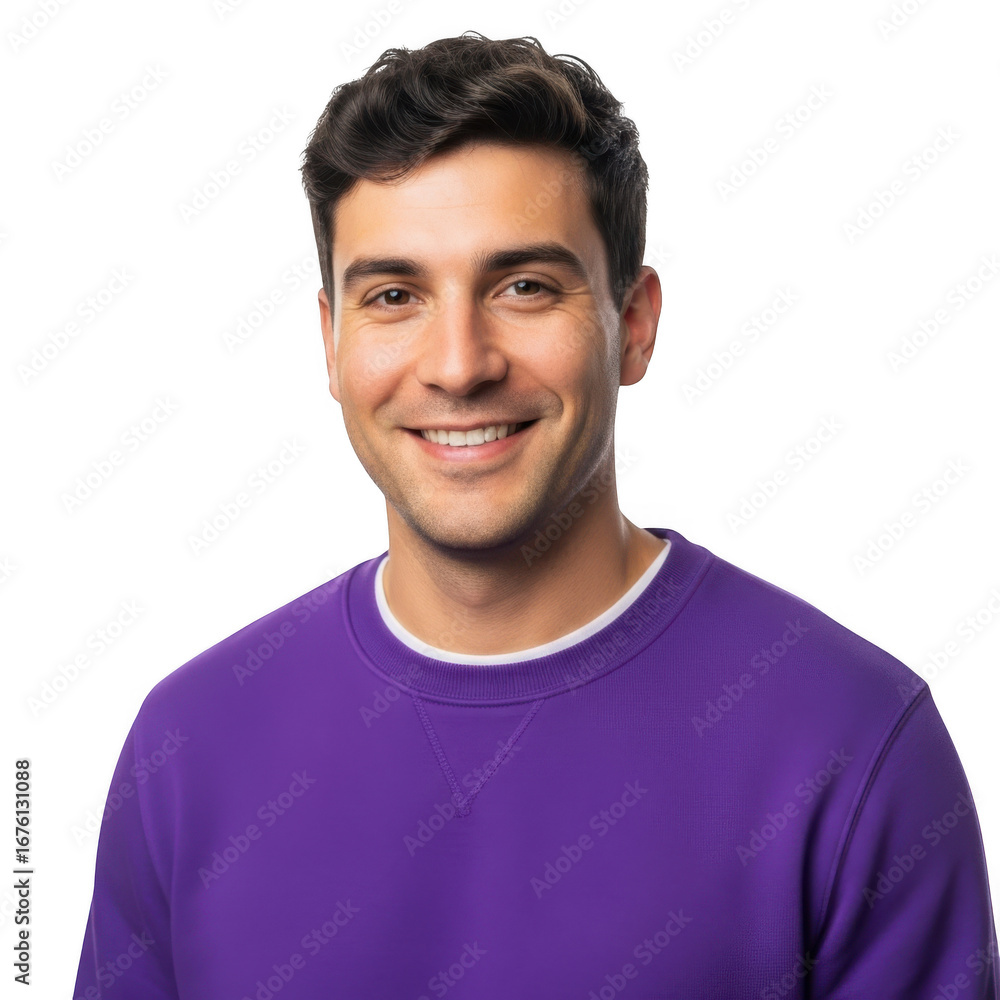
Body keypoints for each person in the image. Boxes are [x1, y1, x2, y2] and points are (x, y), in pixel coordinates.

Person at [73, 31, 998, 999]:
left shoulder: (849, 739)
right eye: (394, 295)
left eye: (524, 287)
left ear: (633, 324)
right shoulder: (189, 747)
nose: (458, 363)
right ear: (332, 341)